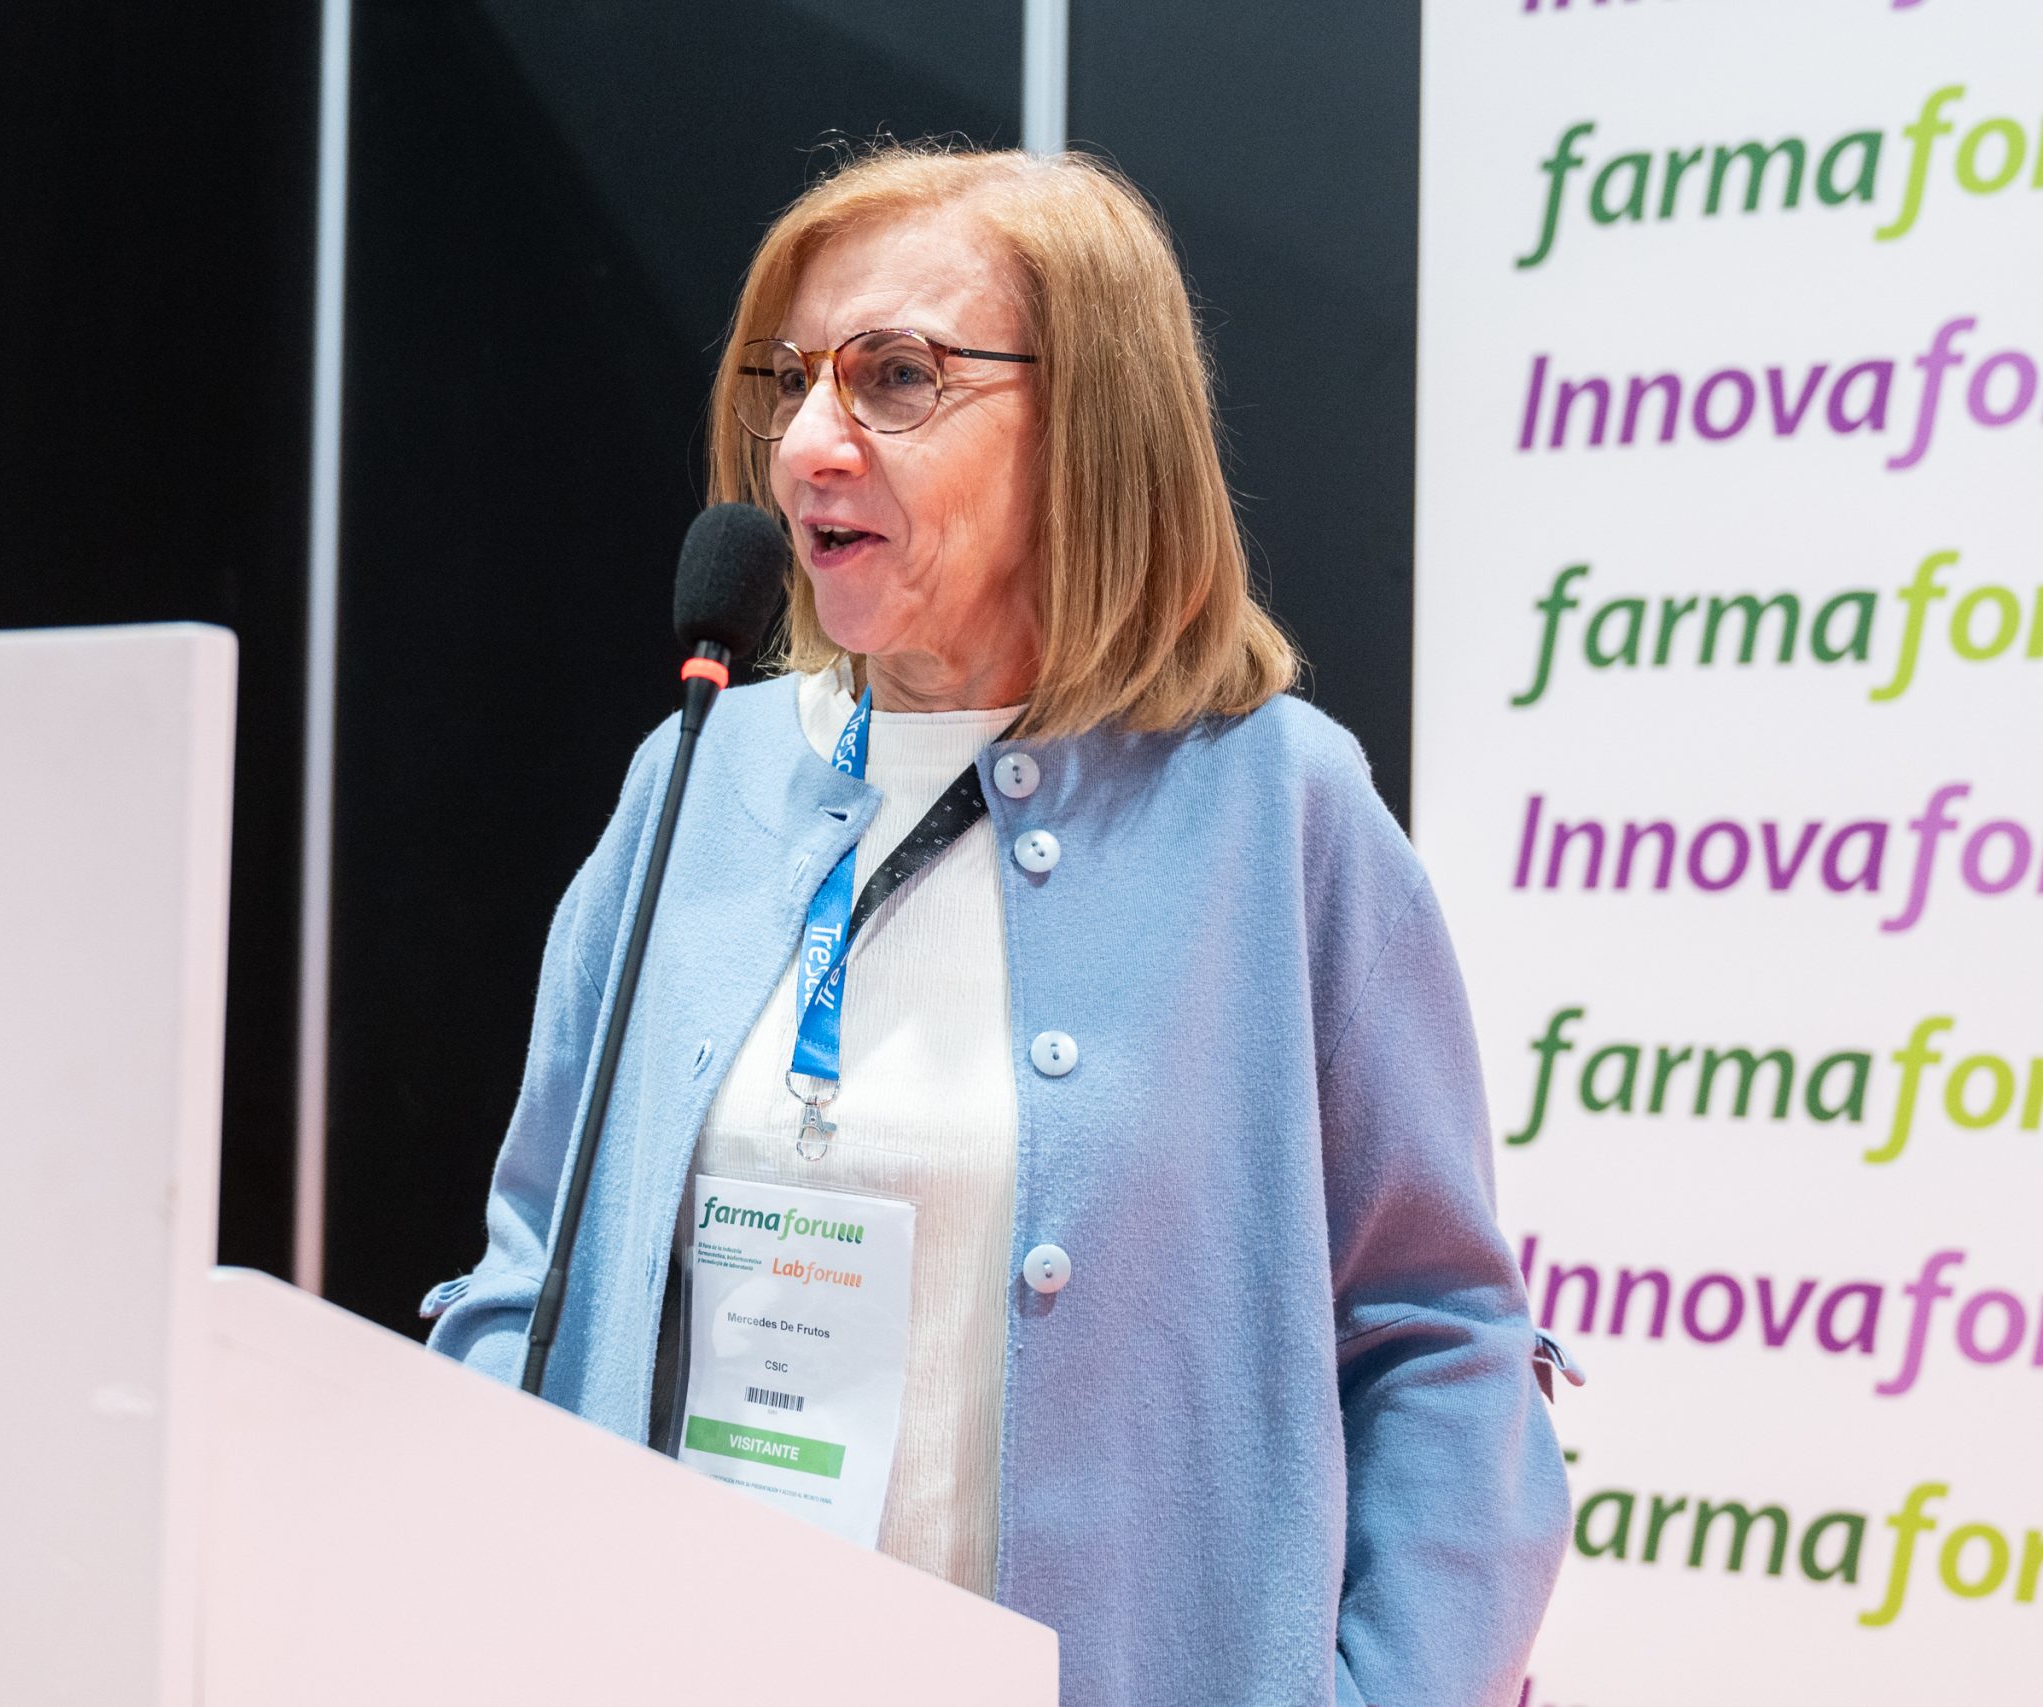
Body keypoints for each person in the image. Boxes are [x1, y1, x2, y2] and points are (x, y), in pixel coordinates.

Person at [422, 142, 1568, 1707]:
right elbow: (532, 1274)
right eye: (791, 381)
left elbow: (1439, 1342)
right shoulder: (695, 776)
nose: (808, 445)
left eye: (895, 378)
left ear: (1092, 424)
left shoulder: (1276, 809)